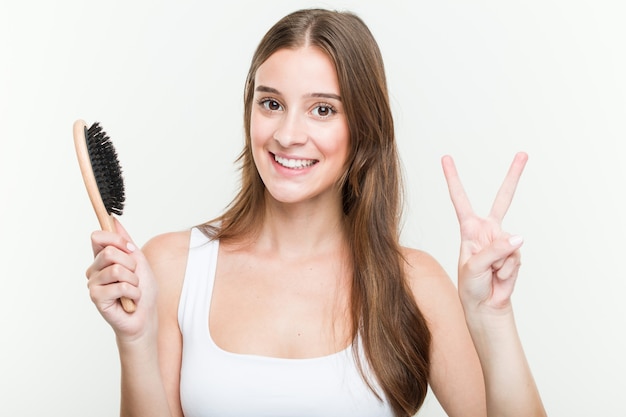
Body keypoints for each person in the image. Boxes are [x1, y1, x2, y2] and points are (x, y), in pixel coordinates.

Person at [85, 8, 546, 417]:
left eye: (322, 110)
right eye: (271, 103)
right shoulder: (174, 266)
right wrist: (136, 341)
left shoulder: (414, 282)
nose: (288, 134)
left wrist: (493, 319)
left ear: (363, 126)